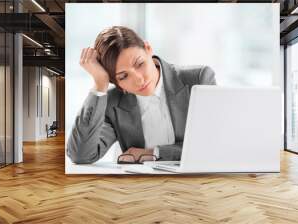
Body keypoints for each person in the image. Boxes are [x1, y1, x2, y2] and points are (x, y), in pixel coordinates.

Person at [67, 26, 216, 164]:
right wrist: (100, 84)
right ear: (116, 83)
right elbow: (81, 155)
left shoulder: (198, 80)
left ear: (148, 49)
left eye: (139, 64)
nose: (138, 79)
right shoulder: (112, 102)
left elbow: (213, 144)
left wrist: (153, 153)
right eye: (123, 76)